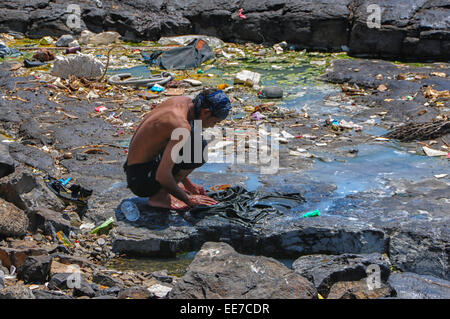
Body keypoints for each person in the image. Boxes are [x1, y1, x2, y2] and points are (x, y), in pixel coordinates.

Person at [123, 88, 231, 211]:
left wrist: (188, 185)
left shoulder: (183, 101)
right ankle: (160, 197)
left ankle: (168, 188)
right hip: (141, 182)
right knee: (198, 149)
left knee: (194, 141)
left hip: (135, 169)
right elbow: (162, 176)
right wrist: (187, 198)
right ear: (206, 112)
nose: (212, 126)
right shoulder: (181, 126)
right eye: (215, 121)